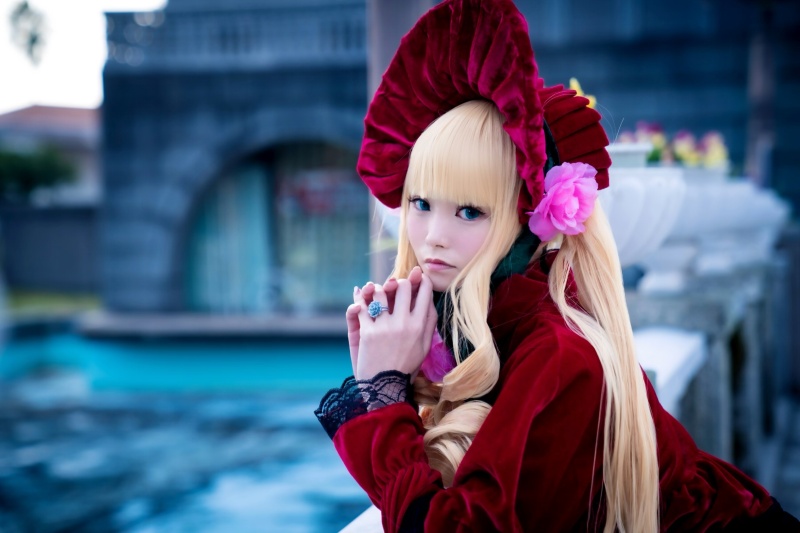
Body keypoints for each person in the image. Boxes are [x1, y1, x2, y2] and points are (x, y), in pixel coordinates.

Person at [315, 0, 800, 531]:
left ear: (527, 221)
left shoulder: (559, 355)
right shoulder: (491, 330)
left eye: (470, 211)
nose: (433, 235)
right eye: (421, 203)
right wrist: (390, 382)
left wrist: (384, 392)